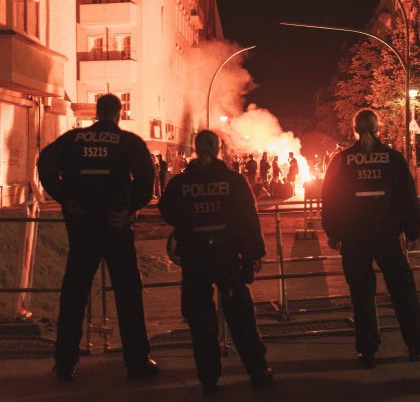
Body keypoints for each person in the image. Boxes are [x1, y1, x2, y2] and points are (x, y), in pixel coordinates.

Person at [37, 94, 158, 381]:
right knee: (128, 294)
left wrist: (66, 197)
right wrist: (129, 209)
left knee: (74, 294)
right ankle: (137, 362)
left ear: (96, 113)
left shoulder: (73, 139)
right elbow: (146, 180)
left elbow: (45, 163)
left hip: (83, 227)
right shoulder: (129, 142)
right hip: (115, 227)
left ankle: (65, 363)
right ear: (119, 113)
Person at [158, 130, 272, 395]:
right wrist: (254, 253)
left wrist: (189, 224)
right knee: (241, 315)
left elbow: (166, 210)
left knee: (200, 320)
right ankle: (257, 370)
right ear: (219, 150)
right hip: (228, 256)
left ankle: (209, 376)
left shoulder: (181, 183)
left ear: (197, 150)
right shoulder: (233, 181)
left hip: (195, 258)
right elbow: (248, 218)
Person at [321, 109, 420, 369]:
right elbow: (408, 197)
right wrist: (412, 231)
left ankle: (368, 350)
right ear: (378, 128)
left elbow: (330, 200)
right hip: (386, 234)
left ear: (355, 129)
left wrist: (333, 232)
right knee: (403, 290)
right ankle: (418, 344)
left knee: (361, 293)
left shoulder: (342, 160)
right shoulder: (393, 159)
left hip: (353, 237)